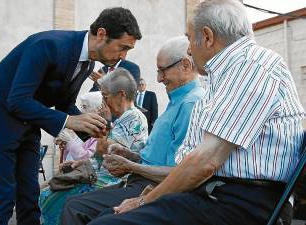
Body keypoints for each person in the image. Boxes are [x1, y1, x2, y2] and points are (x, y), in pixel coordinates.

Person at [85, 1, 306, 225]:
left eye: (190, 37)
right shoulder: (225, 76)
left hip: (241, 202)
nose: (189, 49)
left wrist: (145, 201)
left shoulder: (252, 67)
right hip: (214, 193)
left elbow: (206, 162)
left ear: (208, 37)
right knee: (108, 216)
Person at [0, 7, 142, 225]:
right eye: (123, 47)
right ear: (101, 34)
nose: (123, 56)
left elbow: (64, 104)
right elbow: (17, 100)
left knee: (30, 194)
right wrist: (70, 121)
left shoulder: (87, 64)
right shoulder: (48, 46)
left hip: (27, 118)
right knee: (2, 196)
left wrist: (91, 130)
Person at [61, 36, 205, 225]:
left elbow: (179, 172)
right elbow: (153, 157)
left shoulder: (190, 104)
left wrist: (131, 166)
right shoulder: (178, 101)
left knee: (76, 207)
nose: (158, 78)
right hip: (138, 180)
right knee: (74, 204)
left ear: (186, 65)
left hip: (152, 186)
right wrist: (129, 156)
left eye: (162, 71)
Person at [41, 68, 148, 225]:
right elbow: (99, 156)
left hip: (112, 182)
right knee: (48, 192)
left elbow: (104, 150)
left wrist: (106, 122)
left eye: (105, 96)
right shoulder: (122, 118)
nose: (103, 103)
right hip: (100, 176)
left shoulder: (132, 117)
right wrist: (83, 163)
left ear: (121, 94)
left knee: (54, 198)